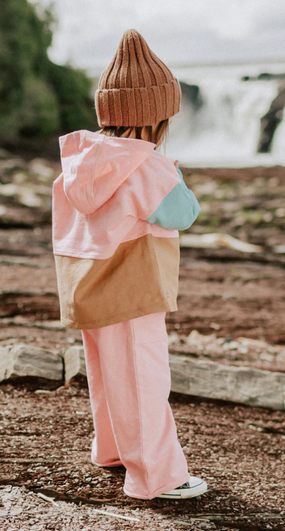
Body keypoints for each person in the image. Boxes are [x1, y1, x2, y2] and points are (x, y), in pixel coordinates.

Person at [51, 29, 207, 500]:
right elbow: (183, 213)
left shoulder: (81, 162)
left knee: (106, 370)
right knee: (143, 376)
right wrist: (174, 172)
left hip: (88, 282)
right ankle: (157, 476)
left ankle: (114, 449)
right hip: (133, 286)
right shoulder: (145, 165)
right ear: (155, 117)